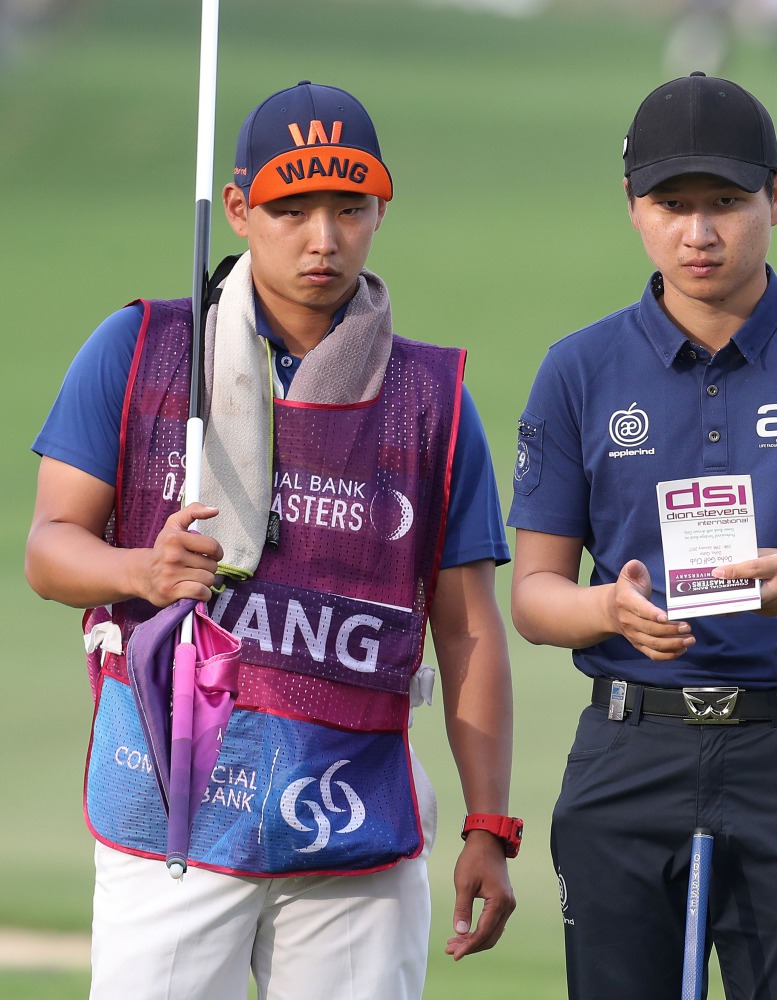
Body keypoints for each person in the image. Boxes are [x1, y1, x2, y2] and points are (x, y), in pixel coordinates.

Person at [26, 81, 521, 1000]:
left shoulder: (434, 401)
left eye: (348, 208)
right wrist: (142, 567)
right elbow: (50, 549)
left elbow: (468, 631)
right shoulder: (140, 347)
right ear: (242, 210)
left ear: (382, 209)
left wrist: (490, 821)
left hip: (355, 827)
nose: (322, 239)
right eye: (292, 210)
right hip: (170, 811)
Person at [508, 70, 777, 999]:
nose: (699, 233)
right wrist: (609, 609)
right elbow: (534, 597)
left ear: (776, 199)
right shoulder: (578, 369)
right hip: (630, 749)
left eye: (727, 203)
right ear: (632, 206)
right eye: (672, 204)